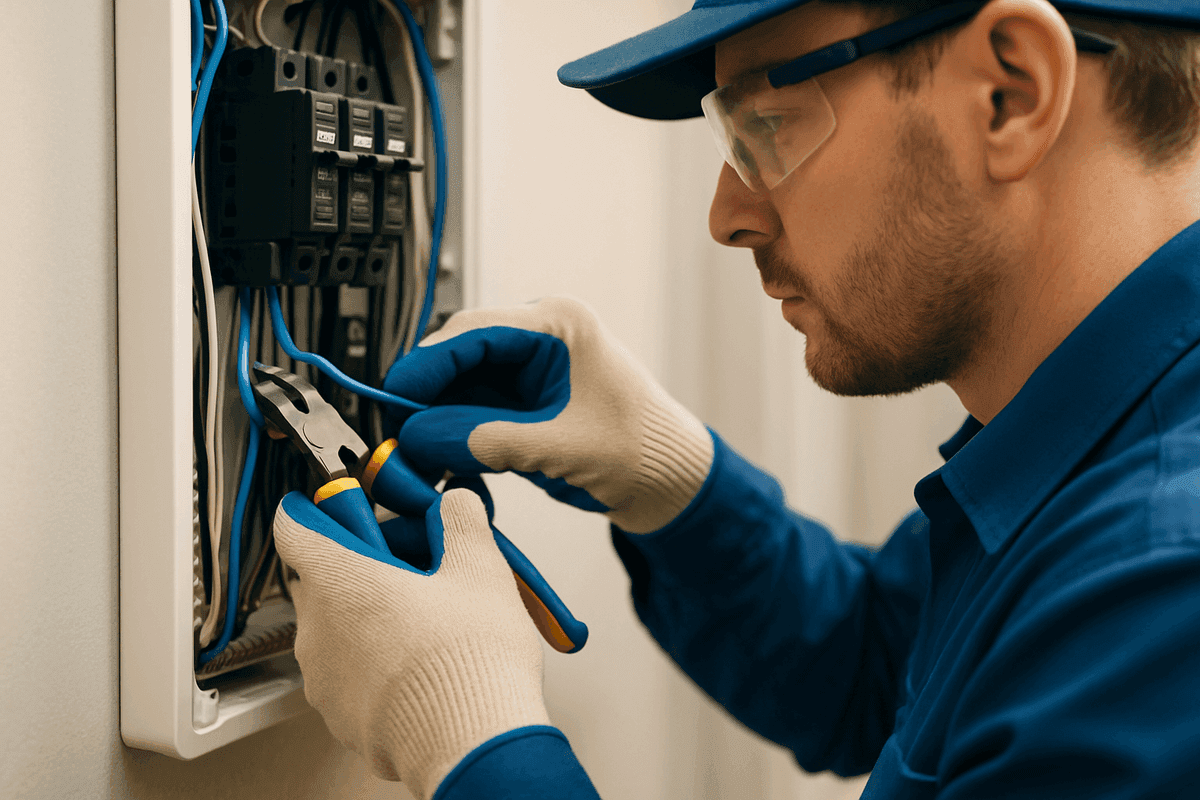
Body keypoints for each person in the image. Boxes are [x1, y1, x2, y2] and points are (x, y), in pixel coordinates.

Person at [271, 0, 1200, 797]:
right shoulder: (1097, 452)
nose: (728, 214)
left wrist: (470, 737)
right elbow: (886, 668)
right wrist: (673, 482)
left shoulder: (1163, 589)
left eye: (770, 120)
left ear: (1012, 92)